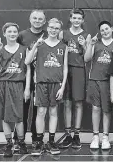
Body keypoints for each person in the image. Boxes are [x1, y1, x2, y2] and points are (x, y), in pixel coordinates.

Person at [25, 18, 69, 155]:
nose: (53, 30)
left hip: (56, 84)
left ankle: (51, 141)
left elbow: (65, 68)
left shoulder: (63, 46)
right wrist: (35, 46)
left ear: (59, 30)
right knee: (41, 112)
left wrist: (62, 88)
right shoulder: (40, 44)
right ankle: (38, 141)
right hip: (41, 83)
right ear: (47, 27)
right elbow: (27, 61)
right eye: (51, 27)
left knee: (53, 112)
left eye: (56, 28)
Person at [0, 23, 31, 157]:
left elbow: (29, 70)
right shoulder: (1, 50)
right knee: (5, 117)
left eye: (15, 31)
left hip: (18, 84)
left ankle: (21, 142)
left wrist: (27, 88)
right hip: (3, 84)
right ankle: (9, 144)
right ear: (4, 34)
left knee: (19, 117)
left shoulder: (24, 49)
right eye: (9, 32)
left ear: (17, 33)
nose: (12, 34)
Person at [84, 21, 113, 150]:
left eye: (107, 29)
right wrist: (90, 45)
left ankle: (105, 137)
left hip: (108, 81)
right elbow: (86, 59)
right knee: (95, 108)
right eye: (102, 30)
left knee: (107, 110)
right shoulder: (96, 44)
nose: (105, 31)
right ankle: (95, 136)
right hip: (94, 79)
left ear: (112, 29)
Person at [14, 9, 47, 147]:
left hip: (41, 78)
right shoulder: (21, 35)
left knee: (37, 110)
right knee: (22, 108)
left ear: (44, 21)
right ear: (30, 19)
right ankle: (18, 139)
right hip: (23, 77)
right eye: (35, 18)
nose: (37, 21)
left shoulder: (48, 35)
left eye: (40, 19)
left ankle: (36, 138)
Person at [58, 8, 90, 149]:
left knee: (78, 102)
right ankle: (68, 134)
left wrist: (84, 45)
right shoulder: (62, 34)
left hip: (79, 70)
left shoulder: (86, 35)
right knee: (67, 102)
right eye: (74, 18)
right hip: (65, 69)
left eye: (79, 18)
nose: (76, 20)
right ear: (70, 19)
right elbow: (57, 52)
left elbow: (87, 57)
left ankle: (77, 134)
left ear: (82, 20)